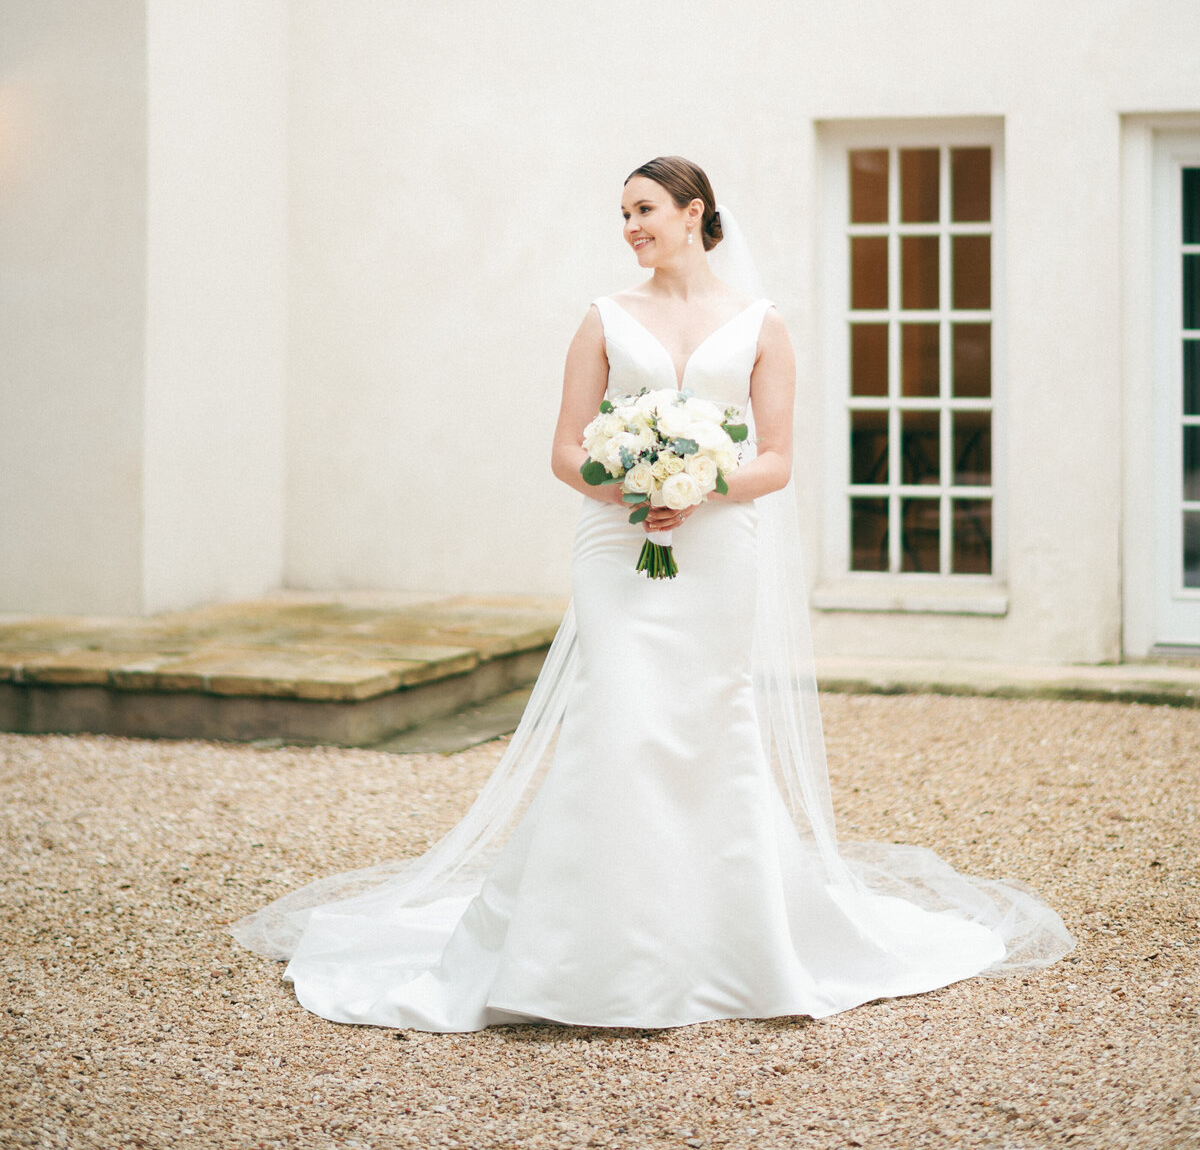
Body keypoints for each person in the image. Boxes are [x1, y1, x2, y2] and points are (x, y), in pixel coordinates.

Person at [231, 155, 1073, 1030]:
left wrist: (698, 489)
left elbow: (776, 460)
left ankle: (725, 946)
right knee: (618, 718)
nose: (630, 226)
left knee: (711, 719)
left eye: (644, 209)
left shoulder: (760, 325)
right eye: (623, 214)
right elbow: (565, 449)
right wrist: (628, 488)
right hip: (615, 547)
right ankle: (583, 950)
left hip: (716, 550)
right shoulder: (603, 319)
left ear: (692, 212)